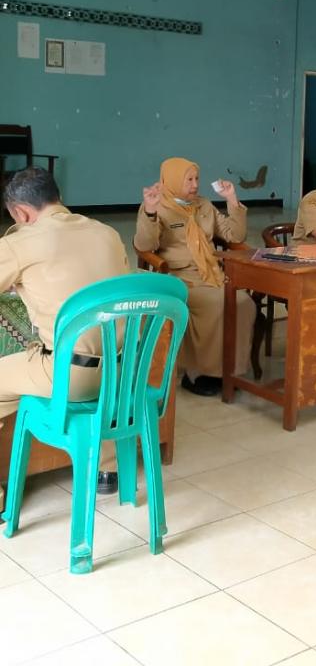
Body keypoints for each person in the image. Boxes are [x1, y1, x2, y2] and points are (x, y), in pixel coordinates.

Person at [0, 168, 130, 497]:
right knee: (96, 338)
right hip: (122, 373)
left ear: (21, 213)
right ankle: (107, 469)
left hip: (71, 377)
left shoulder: (19, 243)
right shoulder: (107, 233)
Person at [134, 157, 255, 398]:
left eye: (197, 178)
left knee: (244, 303)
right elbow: (145, 245)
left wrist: (232, 199)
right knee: (216, 305)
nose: (195, 185)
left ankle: (229, 370)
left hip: (212, 273)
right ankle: (198, 373)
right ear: (172, 180)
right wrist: (149, 212)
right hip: (179, 277)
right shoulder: (158, 205)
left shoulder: (204, 206)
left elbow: (234, 235)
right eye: (188, 179)